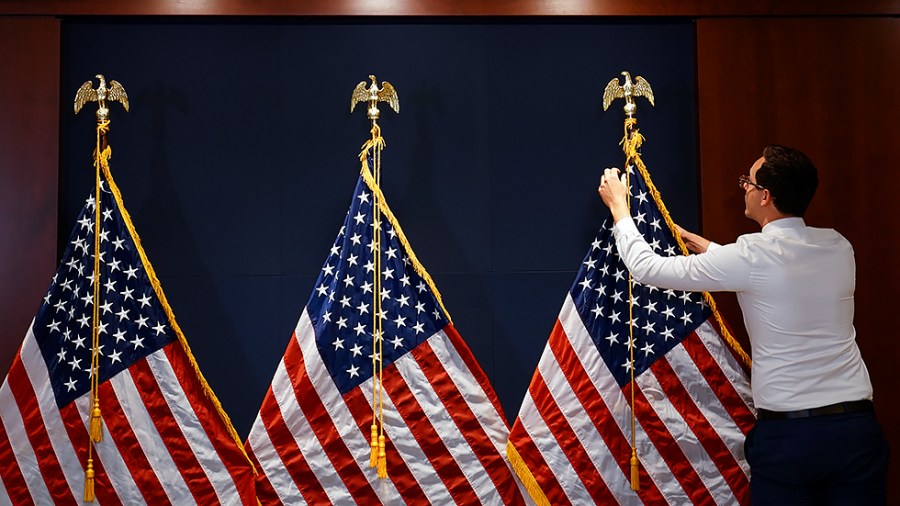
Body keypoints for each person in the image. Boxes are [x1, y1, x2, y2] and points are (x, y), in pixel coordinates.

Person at [597, 145, 888, 505]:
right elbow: (779, 271)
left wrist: (620, 210)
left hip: (790, 439)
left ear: (765, 196)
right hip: (856, 433)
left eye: (746, 183)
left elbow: (648, 269)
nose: (743, 189)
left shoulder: (750, 255)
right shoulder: (838, 246)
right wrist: (708, 247)